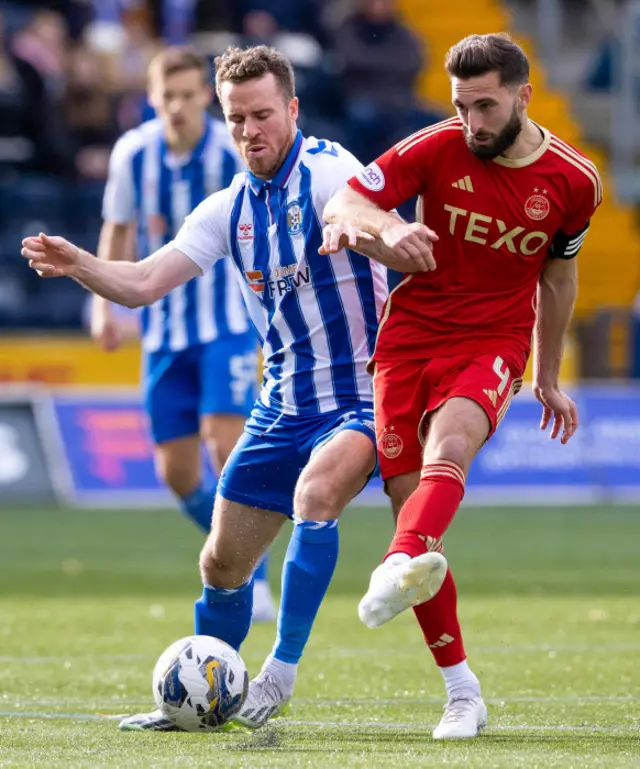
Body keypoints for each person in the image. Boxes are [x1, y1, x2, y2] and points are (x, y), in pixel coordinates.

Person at [21, 44, 447, 732]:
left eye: (263, 115)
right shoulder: (227, 209)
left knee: (315, 493)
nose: (251, 130)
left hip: (360, 396)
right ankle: (195, 697)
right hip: (282, 404)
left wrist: (392, 236)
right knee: (220, 561)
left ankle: (280, 667)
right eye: (237, 118)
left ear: (293, 110)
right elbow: (143, 282)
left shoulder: (327, 169)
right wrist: (81, 266)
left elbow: (367, 209)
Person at [322, 33, 602, 739]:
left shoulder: (573, 182)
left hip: (492, 341)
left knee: (452, 444)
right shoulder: (436, 146)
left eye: (486, 105)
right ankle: (462, 689)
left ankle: (393, 560)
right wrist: (387, 225)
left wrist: (548, 374)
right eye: (461, 105)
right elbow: (347, 204)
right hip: (408, 342)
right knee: (411, 511)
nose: (472, 121)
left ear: (523, 96)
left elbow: (559, 276)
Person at [90, 45, 275, 621]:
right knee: (176, 474)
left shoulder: (231, 150)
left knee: (225, 447)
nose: (177, 106)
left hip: (226, 327)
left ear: (206, 99)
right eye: (166, 96)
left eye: (188, 95)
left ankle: (253, 573)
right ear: (151, 98)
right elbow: (118, 230)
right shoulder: (132, 154)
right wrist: (103, 308)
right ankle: (237, 550)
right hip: (163, 332)